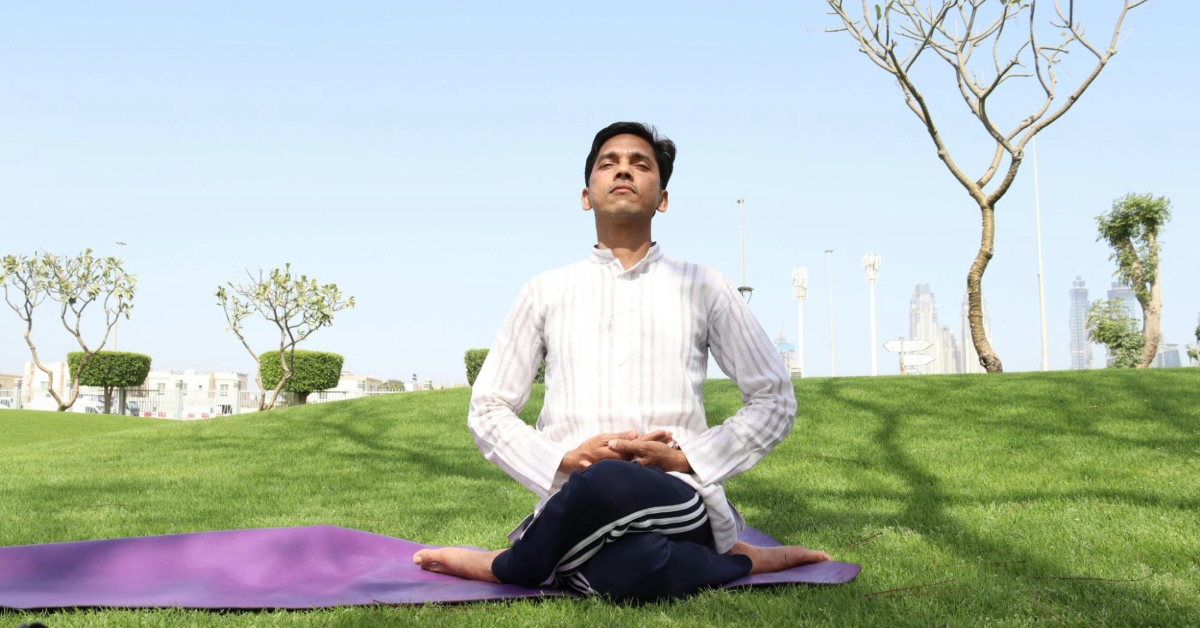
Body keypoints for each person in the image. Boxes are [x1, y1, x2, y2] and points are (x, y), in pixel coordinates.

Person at [414, 122, 829, 603]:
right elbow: (487, 408)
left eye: (640, 164)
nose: (624, 171)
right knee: (633, 566)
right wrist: (565, 460)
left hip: (678, 495)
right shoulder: (544, 291)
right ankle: (741, 559)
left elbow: (774, 399)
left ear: (663, 199)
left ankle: (511, 565)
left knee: (610, 479)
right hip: (574, 503)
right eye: (609, 163)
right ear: (586, 196)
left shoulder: (704, 286)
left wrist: (687, 458)